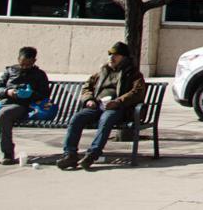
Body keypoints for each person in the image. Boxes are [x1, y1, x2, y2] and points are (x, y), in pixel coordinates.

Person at [56, 41, 146, 170]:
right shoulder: (102, 72)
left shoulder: (133, 74)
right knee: (77, 118)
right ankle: (69, 155)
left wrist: (118, 101)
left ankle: (93, 154)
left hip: (118, 108)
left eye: (115, 55)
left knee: (106, 119)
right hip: (97, 106)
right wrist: (89, 100)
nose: (111, 58)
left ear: (124, 58)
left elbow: (137, 92)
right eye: (109, 54)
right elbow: (87, 87)